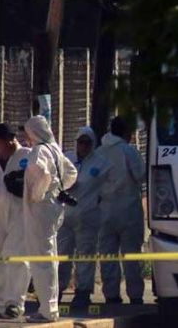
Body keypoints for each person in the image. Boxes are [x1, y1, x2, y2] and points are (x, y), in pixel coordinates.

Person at [22, 116, 77, 323]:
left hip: (41, 210)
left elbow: (43, 173)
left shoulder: (39, 151)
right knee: (50, 256)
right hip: (54, 208)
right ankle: (50, 306)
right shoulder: (55, 149)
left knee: (41, 259)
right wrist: (59, 189)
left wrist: (37, 194)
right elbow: (72, 173)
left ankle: (47, 309)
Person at [58, 127, 110, 307]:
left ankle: (83, 291)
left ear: (93, 143)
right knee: (62, 254)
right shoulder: (67, 159)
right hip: (65, 216)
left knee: (85, 254)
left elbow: (109, 187)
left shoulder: (101, 163)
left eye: (87, 142)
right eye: (80, 142)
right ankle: (57, 289)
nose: (83, 146)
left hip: (88, 216)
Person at [97, 116, 146, 305]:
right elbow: (141, 174)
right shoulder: (128, 151)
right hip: (128, 211)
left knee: (108, 255)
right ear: (127, 133)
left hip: (104, 211)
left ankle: (111, 295)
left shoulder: (100, 152)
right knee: (131, 255)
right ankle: (135, 296)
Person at [0, 123, 31, 318]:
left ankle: (15, 303)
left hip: (20, 214)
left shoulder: (27, 156)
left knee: (16, 256)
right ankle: (1, 303)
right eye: (5, 140)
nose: (11, 143)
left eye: (12, 138)